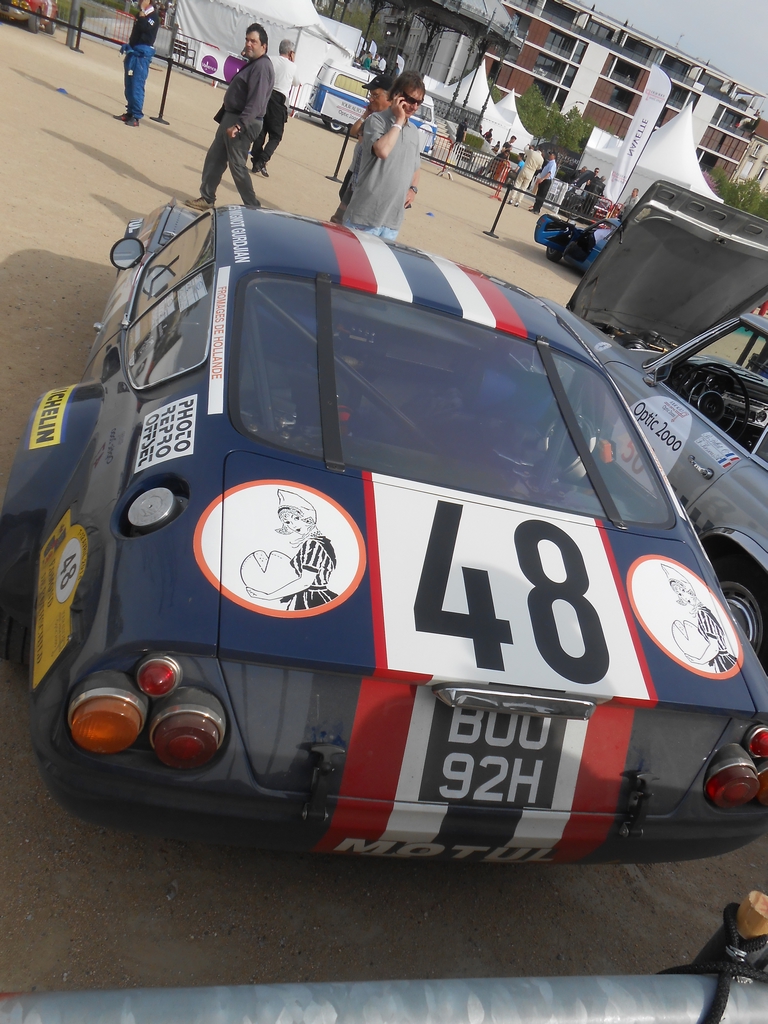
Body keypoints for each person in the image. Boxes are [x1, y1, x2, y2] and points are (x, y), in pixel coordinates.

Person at [185, 23, 274, 212]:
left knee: (237, 166)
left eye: (253, 41)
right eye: (247, 40)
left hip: (242, 122)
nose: (248, 44)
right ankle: (207, 197)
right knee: (215, 158)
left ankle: (253, 207)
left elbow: (256, 102)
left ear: (264, 46)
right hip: (232, 118)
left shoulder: (262, 67)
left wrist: (240, 125)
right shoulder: (255, 64)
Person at [343, 70, 424, 241]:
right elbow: (382, 151)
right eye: (411, 100)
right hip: (364, 217)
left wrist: (413, 189)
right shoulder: (376, 121)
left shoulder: (414, 132)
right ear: (397, 95)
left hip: (392, 221)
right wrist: (399, 121)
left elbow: (415, 166)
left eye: (419, 102)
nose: (414, 107)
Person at [329, 73, 392, 224]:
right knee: (341, 212)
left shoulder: (391, 124)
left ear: (389, 97)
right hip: (354, 172)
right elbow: (354, 131)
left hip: (366, 179)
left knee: (346, 219)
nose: (371, 99)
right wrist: (366, 114)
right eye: (370, 95)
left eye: (375, 95)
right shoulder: (373, 118)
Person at [250, 38, 300, 177]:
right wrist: (293, 62)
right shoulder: (292, 66)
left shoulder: (270, 59)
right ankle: (262, 160)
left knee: (261, 131)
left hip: (266, 95)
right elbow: (297, 82)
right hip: (279, 100)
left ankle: (256, 159)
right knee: (276, 136)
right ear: (290, 52)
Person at [114, 0, 159, 126]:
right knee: (129, 84)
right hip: (133, 51)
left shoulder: (153, 17)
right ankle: (130, 111)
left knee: (137, 85)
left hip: (142, 55)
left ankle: (136, 116)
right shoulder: (140, 14)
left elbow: (145, 29)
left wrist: (142, 16)